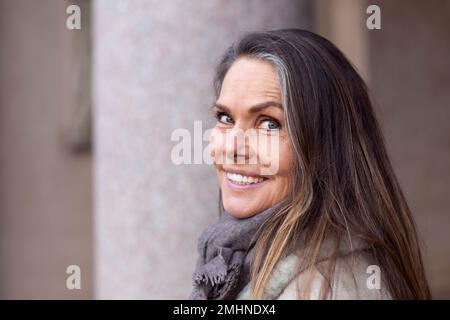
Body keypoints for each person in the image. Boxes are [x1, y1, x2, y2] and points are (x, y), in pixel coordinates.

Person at [189, 29, 431, 300]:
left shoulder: (333, 288)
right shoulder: (234, 260)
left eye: (269, 123)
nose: (232, 148)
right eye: (225, 118)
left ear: (326, 147)